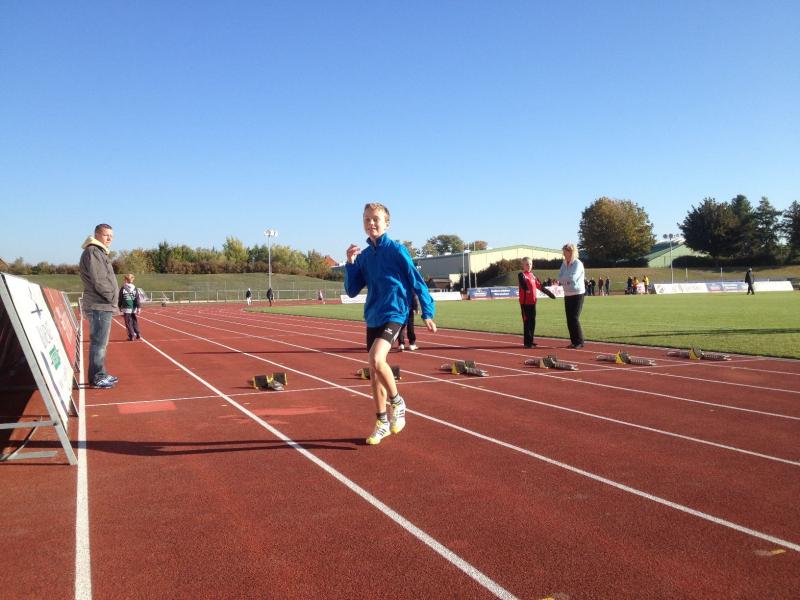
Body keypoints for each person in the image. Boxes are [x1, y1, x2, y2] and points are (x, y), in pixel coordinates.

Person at [345, 203, 436, 445]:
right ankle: (382, 422)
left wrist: (427, 311)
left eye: (376, 219)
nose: (371, 223)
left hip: (395, 312)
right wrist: (350, 264)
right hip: (373, 315)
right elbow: (352, 290)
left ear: (387, 223)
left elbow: (416, 280)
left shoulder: (397, 250)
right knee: (375, 372)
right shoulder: (364, 256)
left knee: (376, 359)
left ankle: (397, 402)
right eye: (367, 219)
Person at [80, 224, 119, 389]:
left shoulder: (99, 252)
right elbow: (99, 280)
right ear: (96, 235)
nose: (109, 238)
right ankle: (97, 377)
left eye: (111, 235)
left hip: (102, 304)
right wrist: (112, 297)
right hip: (100, 304)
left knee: (101, 343)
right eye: (105, 235)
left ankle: (100, 373)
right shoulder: (94, 252)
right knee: (99, 343)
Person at [518, 257, 556, 348]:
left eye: (530, 264)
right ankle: (527, 343)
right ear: (523, 265)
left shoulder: (533, 276)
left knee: (532, 322)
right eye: (527, 264)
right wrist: (526, 289)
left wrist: (549, 293)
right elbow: (522, 283)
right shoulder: (522, 274)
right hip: (525, 303)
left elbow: (540, 286)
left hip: (533, 303)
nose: (529, 266)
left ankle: (531, 341)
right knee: (527, 322)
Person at [558, 242, 586, 349]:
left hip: (577, 293)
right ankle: (573, 341)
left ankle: (579, 341)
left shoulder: (578, 264)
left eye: (565, 252)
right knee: (569, 319)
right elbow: (560, 277)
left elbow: (573, 278)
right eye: (564, 252)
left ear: (571, 252)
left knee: (574, 318)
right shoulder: (564, 263)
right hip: (567, 293)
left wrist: (565, 279)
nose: (564, 254)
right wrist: (566, 279)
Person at [118, 273, 142, 341]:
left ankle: (131, 335)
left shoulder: (123, 288)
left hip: (126, 307)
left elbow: (120, 298)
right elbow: (137, 298)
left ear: (125, 280)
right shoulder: (135, 288)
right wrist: (138, 307)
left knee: (128, 322)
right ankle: (138, 333)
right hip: (133, 307)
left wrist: (119, 306)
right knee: (134, 321)